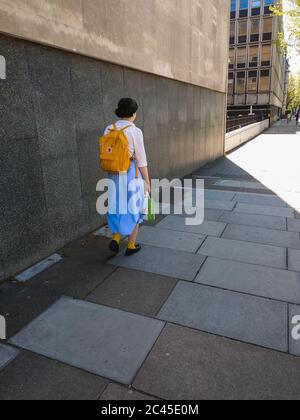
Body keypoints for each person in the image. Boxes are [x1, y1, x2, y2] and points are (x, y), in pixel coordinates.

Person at [104, 98, 151, 256]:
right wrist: (147, 181)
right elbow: (142, 160)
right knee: (134, 208)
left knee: (117, 206)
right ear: (133, 113)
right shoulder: (134, 131)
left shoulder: (109, 128)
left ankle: (116, 239)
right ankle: (131, 245)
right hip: (131, 173)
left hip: (113, 174)